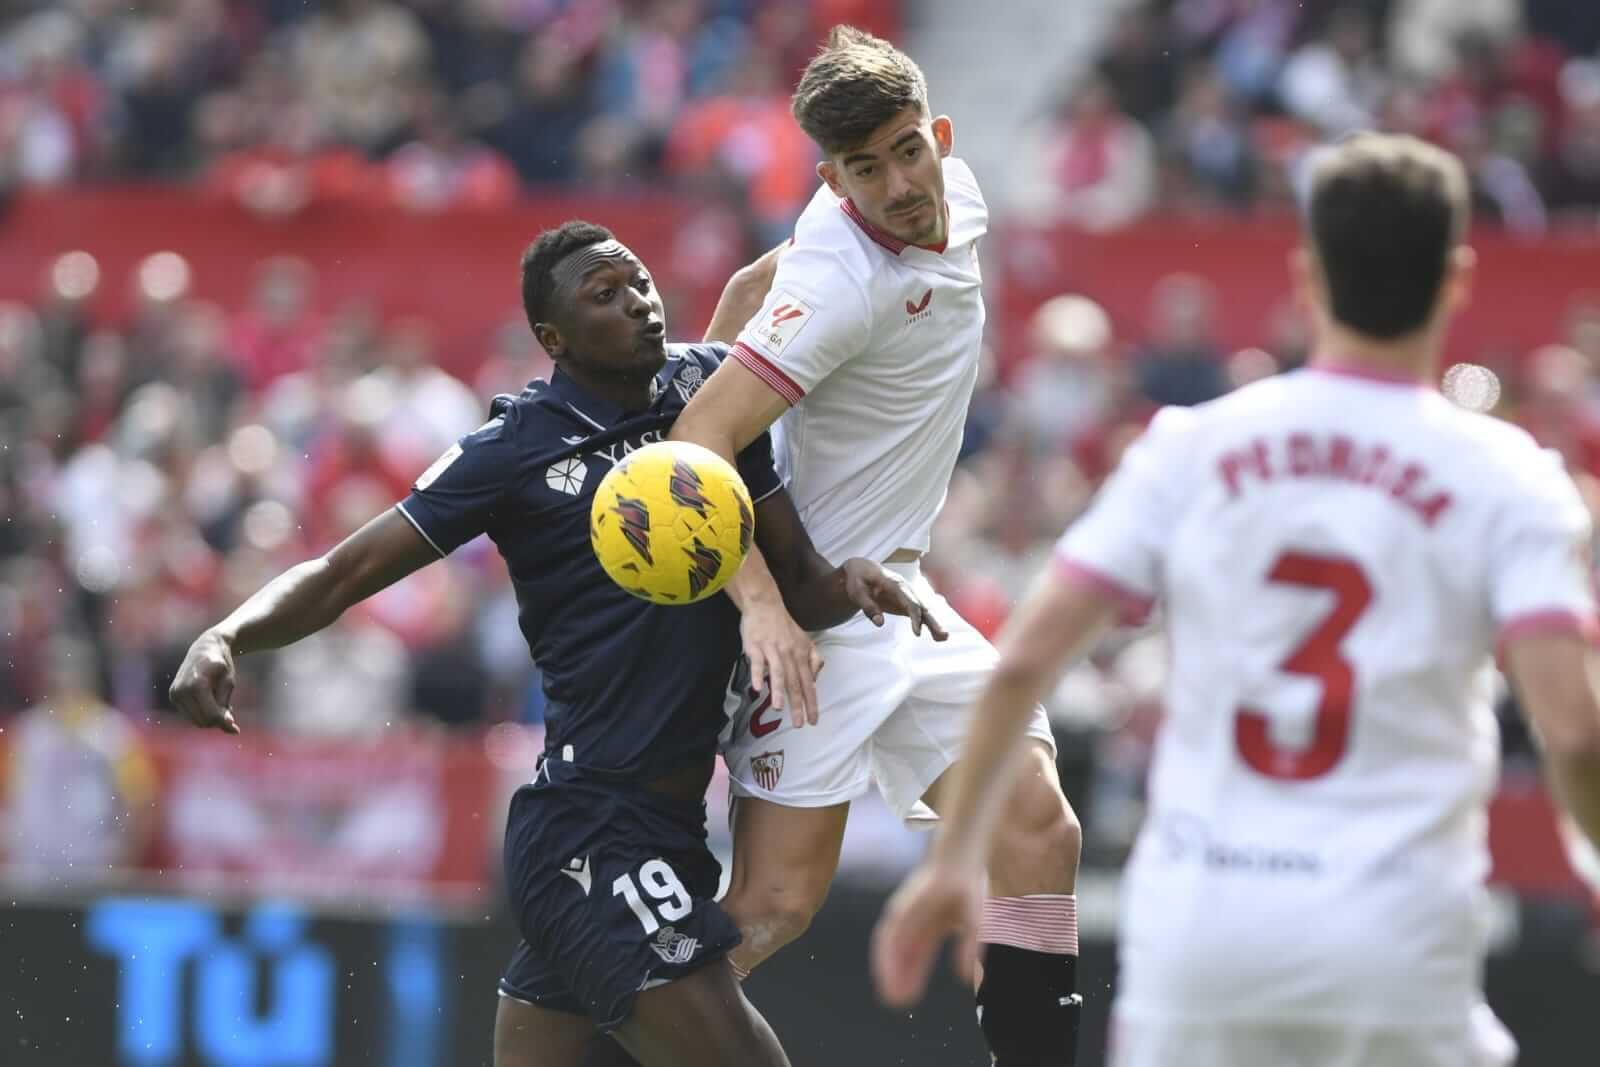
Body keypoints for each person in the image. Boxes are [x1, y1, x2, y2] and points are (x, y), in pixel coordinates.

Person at [871, 133, 1600, 1067]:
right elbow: (1572, 730)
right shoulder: (1511, 476)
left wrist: (950, 861)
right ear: (1456, 278)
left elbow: (1020, 662)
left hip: (1202, 932)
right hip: (1394, 934)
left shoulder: (1191, 446)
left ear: (1307, 277)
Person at [168, 220, 945, 1067]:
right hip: (590, 828)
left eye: (640, 283)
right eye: (603, 297)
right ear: (553, 338)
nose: (638, 304)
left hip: (670, 827)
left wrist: (847, 585)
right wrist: (228, 631)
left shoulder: (712, 395)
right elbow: (344, 569)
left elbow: (793, 575)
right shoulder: (514, 450)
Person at [670, 26, 1085, 1066]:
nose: (899, 183)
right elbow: (695, 442)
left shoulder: (947, 197)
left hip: (902, 596)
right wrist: (761, 606)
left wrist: (725, 336)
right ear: (833, 179)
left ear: (937, 134)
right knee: (767, 912)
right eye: (865, 169)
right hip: (818, 617)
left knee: (1040, 831)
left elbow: (754, 289)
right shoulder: (842, 281)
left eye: (908, 151)